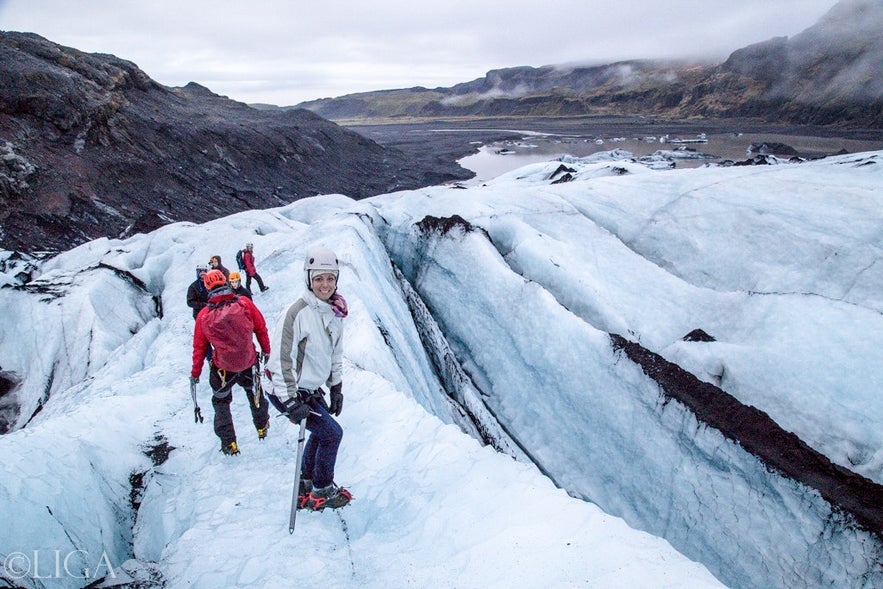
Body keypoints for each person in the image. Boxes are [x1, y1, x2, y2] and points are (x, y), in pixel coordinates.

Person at [268, 246, 351, 510]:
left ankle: (306, 485)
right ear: (308, 280)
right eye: (318, 279)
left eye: (330, 278)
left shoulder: (333, 312)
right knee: (331, 434)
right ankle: (321, 490)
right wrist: (290, 401)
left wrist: (336, 386)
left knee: (320, 432)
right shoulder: (297, 313)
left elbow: (335, 353)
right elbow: (281, 360)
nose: (325, 285)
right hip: (287, 390)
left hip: (308, 389)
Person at [190, 269, 271, 455]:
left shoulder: (203, 315)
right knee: (254, 393)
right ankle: (262, 426)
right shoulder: (244, 304)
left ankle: (229, 443)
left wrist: (195, 373)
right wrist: (266, 350)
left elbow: (199, 348)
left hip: (223, 368)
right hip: (248, 361)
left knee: (221, 403)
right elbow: (261, 328)